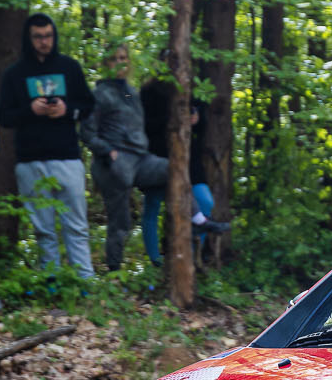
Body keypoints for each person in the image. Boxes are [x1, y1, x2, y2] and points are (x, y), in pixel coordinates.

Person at [0, 11, 95, 277]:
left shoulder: (69, 67)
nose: (44, 42)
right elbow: (4, 116)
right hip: (31, 161)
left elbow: (88, 106)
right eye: (38, 37)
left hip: (67, 157)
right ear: (28, 39)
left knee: (76, 226)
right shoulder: (14, 74)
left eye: (48, 36)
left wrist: (67, 110)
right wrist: (30, 110)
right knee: (43, 229)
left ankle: (85, 283)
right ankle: (50, 282)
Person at [81, 42, 170, 270]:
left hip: (140, 160)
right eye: (114, 59)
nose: (120, 63)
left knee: (174, 169)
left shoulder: (131, 92)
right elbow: (87, 133)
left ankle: (198, 220)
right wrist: (108, 152)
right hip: (113, 165)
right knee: (120, 222)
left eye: (123, 58)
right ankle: (114, 272)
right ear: (106, 64)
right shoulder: (99, 94)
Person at [141, 79, 229, 259]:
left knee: (205, 201)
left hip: (189, 160)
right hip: (158, 158)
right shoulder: (149, 91)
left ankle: (192, 254)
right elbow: (144, 125)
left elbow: (202, 124)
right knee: (153, 206)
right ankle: (155, 259)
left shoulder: (190, 86)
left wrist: (195, 119)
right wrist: (174, 120)